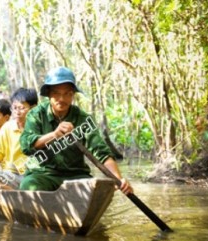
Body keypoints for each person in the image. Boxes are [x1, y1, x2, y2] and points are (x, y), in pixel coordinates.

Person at [19, 66, 133, 194]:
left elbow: (101, 153)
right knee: (29, 186)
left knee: (96, 190)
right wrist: (54, 135)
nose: (62, 99)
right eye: (56, 93)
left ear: (73, 95)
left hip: (75, 175)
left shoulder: (83, 119)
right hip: (43, 174)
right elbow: (26, 146)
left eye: (67, 94)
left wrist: (119, 179)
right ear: (49, 94)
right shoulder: (36, 115)